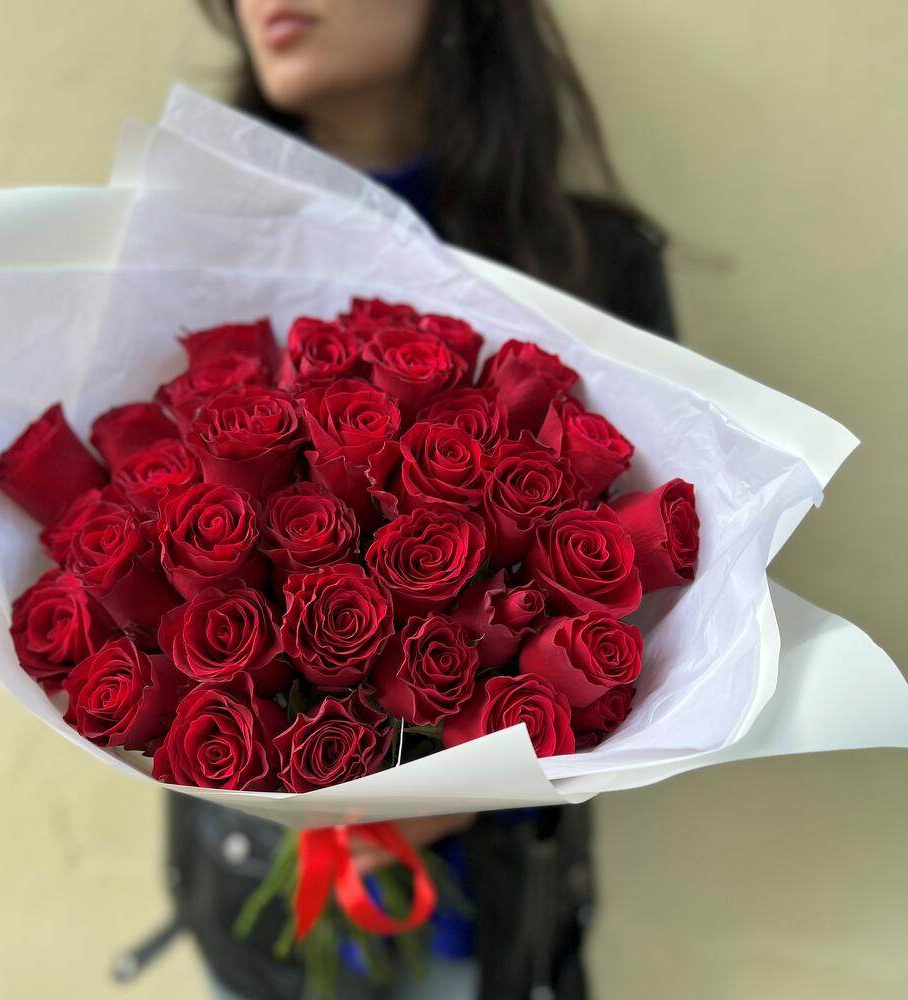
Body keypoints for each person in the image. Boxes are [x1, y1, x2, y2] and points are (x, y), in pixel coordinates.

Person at [167, 2, 676, 998]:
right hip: (252, 920)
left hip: (493, 919)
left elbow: (663, 613)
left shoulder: (595, 264)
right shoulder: (192, 257)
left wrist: (479, 778)